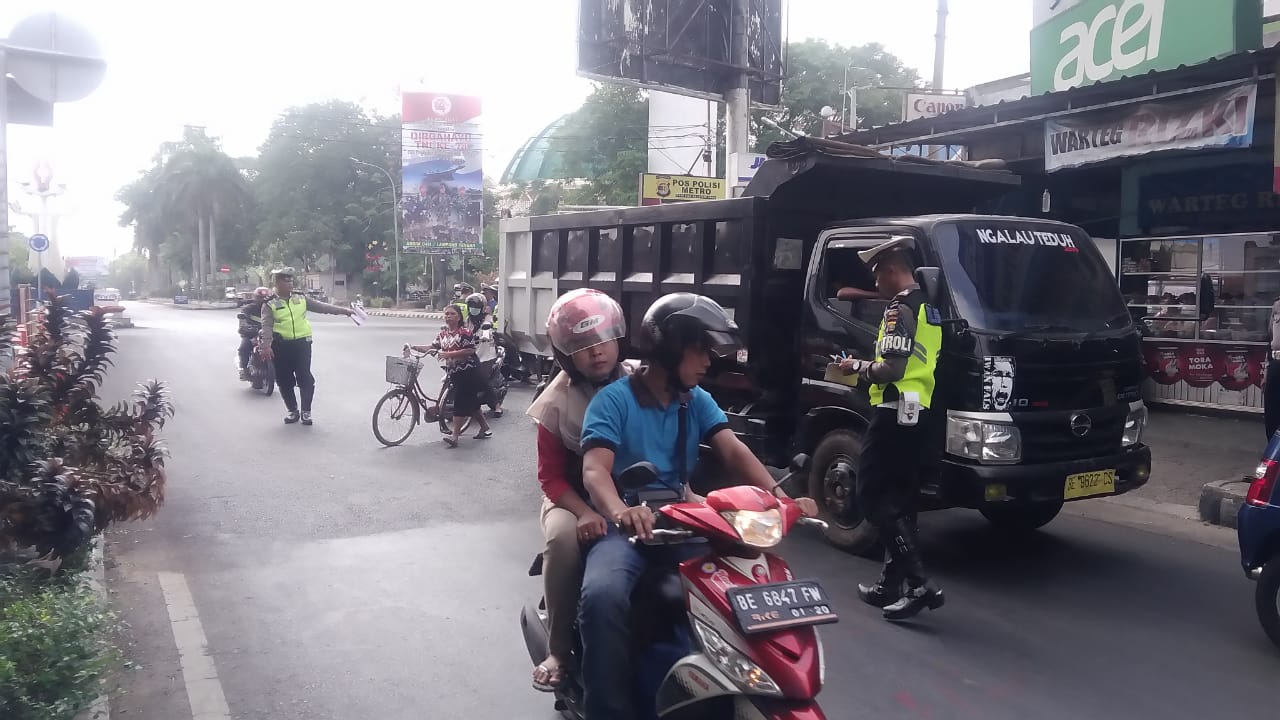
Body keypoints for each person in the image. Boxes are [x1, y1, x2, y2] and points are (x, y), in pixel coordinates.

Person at [577, 292, 818, 720]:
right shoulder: (614, 401)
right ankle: (608, 710)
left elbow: (734, 450)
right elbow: (596, 470)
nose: (708, 361)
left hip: (687, 523)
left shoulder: (696, 400)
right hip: (628, 529)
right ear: (669, 348)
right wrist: (619, 511)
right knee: (603, 596)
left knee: (744, 591)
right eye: (699, 349)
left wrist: (781, 498)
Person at [525, 288, 632, 692]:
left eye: (603, 341)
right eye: (584, 346)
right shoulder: (555, 402)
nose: (598, 352)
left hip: (634, 496)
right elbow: (550, 478)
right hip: (572, 500)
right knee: (563, 541)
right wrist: (585, 512)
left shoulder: (642, 380)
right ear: (566, 353)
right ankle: (559, 649)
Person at [836, 241, 945, 621]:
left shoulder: (899, 309)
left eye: (877, 273)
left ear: (892, 270)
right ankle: (889, 584)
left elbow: (891, 369)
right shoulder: (930, 308)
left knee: (870, 496)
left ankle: (918, 584)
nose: (875, 281)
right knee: (902, 499)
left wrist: (857, 367)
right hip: (919, 412)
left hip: (894, 409)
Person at [258, 267, 356, 426]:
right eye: (285, 280)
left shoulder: (300, 298)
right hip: (281, 346)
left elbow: (322, 307)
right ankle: (292, 410)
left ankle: (306, 412)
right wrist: (266, 346)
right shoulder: (270, 304)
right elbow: (266, 326)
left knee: (305, 377)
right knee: (284, 380)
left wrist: (344, 311)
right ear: (277, 282)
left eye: (291, 280)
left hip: (302, 343)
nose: (289, 283)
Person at [408, 304, 492, 448]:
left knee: (460, 400)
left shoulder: (465, 332)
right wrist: (413, 347)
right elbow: (432, 346)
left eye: (452, 314)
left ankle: (455, 436)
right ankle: (484, 427)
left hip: (469, 372)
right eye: (446, 314)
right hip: (454, 372)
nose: (448, 316)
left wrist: (449, 354)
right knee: (471, 402)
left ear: (459, 317)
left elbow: (470, 350)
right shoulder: (444, 334)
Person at [465, 291, 505, 417]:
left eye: (476, 307)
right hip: (470, 353)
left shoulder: (487, 319)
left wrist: (484, 336)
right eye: (471, 307)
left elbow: (487, 329)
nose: (473, 309)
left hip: (486, 355)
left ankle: (497, 406)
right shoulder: (468, 320)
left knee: (483, 380)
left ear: (481, 308)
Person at [236, 287, 271, 380]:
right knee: (244, 348)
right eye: (260, 297)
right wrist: (245, 327)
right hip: (252, 334)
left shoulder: (274, 308)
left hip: (269, 334)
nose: (263, 300)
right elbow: (242, 320)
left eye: (265, 297)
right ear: (255, 297)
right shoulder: (248, 308)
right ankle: (244, 369)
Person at [1266, 295, 1280, 439]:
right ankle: (1272, 444)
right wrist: (1266, 371)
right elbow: (1269, 338)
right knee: (1271, 408)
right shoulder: (1277, 305)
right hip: (1276, 363)